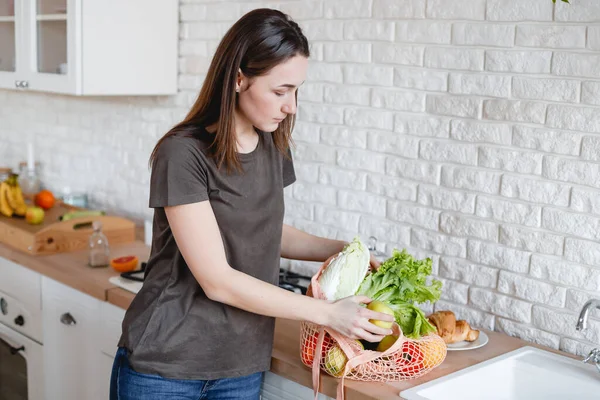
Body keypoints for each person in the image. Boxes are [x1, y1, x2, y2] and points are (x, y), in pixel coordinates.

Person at [109, 8, 393, 400]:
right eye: (280, 91)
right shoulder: (183, 154)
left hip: (241, 364)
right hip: (166, 367)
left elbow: (265, 233)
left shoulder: (273, 146)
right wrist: (329, 313)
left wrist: (342, 250)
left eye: (296, 90)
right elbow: (217, 281)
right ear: (239, 78)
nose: (291, 106)